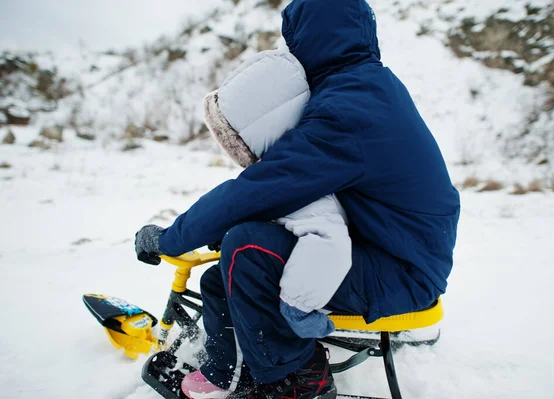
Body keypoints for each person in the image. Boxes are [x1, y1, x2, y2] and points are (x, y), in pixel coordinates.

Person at [135, 0, 460, 398]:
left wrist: (170, 238)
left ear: (308, 38)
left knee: (247, 250)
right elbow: (305, 193)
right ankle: (234, 369)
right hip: (393, 251)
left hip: (402, 270)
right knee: (224, 272)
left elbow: (261, 187)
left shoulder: (348, 107)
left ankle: (300, 379)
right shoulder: (365, 87)